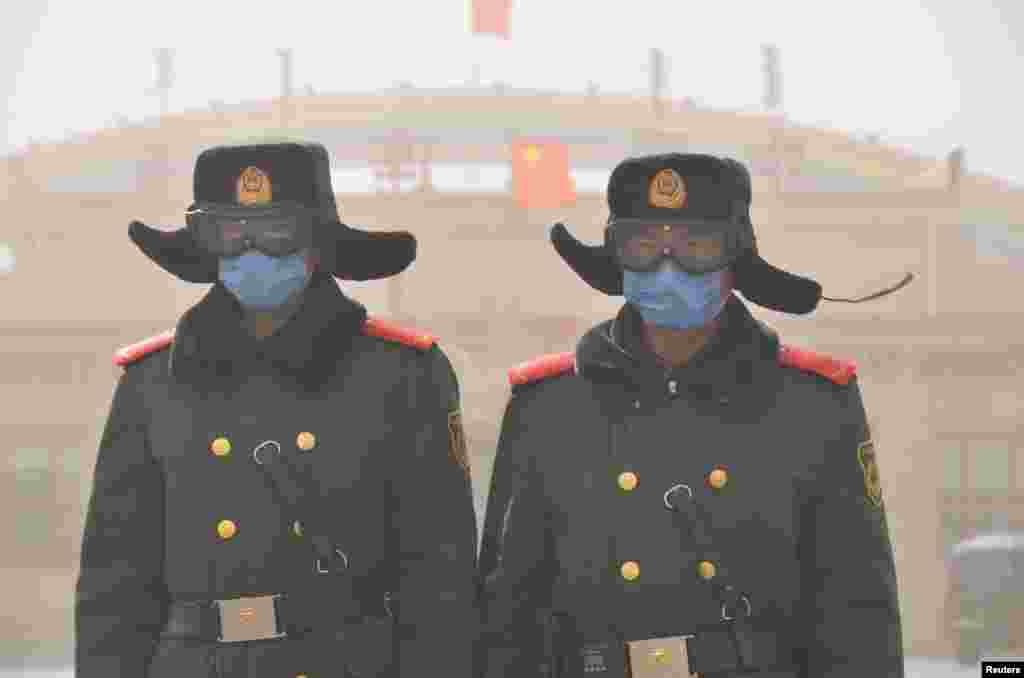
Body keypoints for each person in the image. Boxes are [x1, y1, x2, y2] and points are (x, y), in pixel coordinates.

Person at [477, 154, 908, 678]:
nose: (668, 268)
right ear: (616, 256)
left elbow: (857, 615)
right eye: (643, 247)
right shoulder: (548, 405)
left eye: (696, 248)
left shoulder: (813, 404)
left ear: (736, 258)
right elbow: (506, 615)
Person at [75, 142, 477, 677]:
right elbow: (114, 586)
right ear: (206, 245)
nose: (252, 252)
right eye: (231, 233)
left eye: (276, 231)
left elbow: (439, 581)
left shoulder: (402, 374)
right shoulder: (152, 382)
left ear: (317, 242)